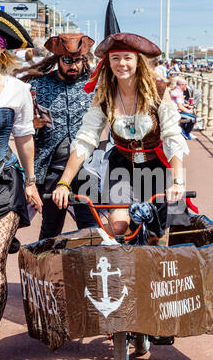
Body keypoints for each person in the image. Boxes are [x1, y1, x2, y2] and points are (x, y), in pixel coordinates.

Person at [52, 32, 190, 243]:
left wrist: (178, 181)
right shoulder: (104, 95)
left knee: (160, 237)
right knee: (118, 227)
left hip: (158, 167)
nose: (121, 63)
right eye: (115, 58)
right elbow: (86, 138)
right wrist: (64, 183)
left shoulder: (159, 91)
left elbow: (172, 136)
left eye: (127, 58)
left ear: (138, 62)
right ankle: (97, 252)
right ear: (108, 63)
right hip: (121, 166)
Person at [0, 8, 42, 360]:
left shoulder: (18, 90)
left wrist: (31, 181)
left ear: (1, 51)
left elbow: (24, 138)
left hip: (2, 182)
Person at [21, 33, 103, 240]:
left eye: (77, 61)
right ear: (58, 60)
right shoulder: (38, 85)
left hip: (87, 165)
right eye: (67, 61)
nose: (72, 65)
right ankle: (44, 270)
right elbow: (23, 127)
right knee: (51, 227)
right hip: (51, 166)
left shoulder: (95, 86)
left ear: (84, 61)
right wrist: (33, 124)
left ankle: (90, 268)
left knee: (91, 227)